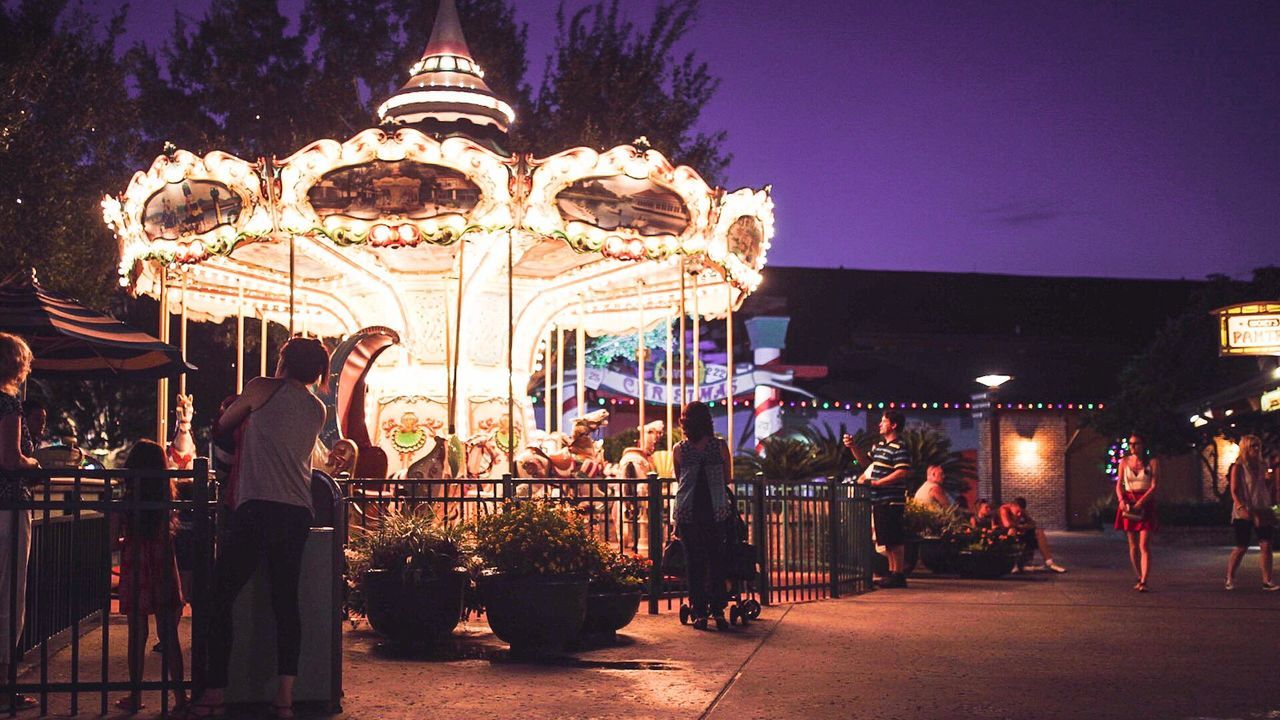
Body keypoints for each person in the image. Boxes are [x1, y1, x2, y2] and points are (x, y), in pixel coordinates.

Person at [186, 338, 329, 719]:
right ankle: (285, 695)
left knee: (221, 595)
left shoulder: (262, 387)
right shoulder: (317, 409)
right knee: (286, 601)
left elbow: (221, 426)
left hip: (257, 505)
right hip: (298, 510)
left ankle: (215, 689)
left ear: (283, 360)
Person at [118, 440, 186, 713]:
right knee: (168, 632)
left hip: (136, 562)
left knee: (137, 632)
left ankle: (135, 696)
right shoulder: (166, 496)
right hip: (162, 561)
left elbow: (113, 538)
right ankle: (180, 696)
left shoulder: (128, 500)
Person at [0, 333, 37, 712]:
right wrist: (33, 463)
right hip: (8, 506)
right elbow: (10, 459)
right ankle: (6, 683)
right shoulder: (9, 402)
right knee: (11, 593)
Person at [672, 401, 733, 631]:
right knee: (717, 560)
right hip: (716, 510)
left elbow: (680, 480)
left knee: (694, 563)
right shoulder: (719, 447)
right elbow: (727, 478)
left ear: (685, 423)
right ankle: (718, 611)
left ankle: (699, 613)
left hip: (688, 511)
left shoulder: (680, 449)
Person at [847, 410, 911, 588]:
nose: (880, 424)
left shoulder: (900, 447)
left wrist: (878, 483)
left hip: (892, 499)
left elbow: (902, 471)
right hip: (880, 499)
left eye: (884, 421)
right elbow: (866, 464)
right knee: (886, 538)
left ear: (894, 425)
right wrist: (853, 447)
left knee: (894, 538)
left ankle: (898, 574)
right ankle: (892, 573)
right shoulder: (880, 447)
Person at [1225, 435, 1277, 591]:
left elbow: (1265, 488)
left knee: (1266, 544)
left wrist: (1269, 480)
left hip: (1262, 508)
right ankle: (1230, 577)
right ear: (1245, 448)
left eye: (1258, 445)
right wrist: (1241, 507)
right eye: (1253, 446)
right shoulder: (1238, 467)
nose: (1257, 448)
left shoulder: (1262, 465)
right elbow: (1234, 490)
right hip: (1245, 510)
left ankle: (1267, 580)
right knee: (1241, 546)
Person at [1115, 433, 1158, 591]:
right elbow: (1119, 484)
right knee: (1132, 545)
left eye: (1136, 444)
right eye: (1131, 444)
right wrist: (1120, 500)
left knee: (1144, 544)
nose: (1133, 447)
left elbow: (1154, 485)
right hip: (1128, 501)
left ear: (1143, 445)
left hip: (1145, 502)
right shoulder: (1124, 462)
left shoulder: (1152, 462)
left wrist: (1142, 502)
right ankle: (1138, 576)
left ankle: (1145, 580)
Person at [1000, 498, 1067, 573]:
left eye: (1021, 512)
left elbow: (1032, 524)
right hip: (1002, 535)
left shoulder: (1022, 512)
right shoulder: (1004, 509)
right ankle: (1014, 564)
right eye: (1018, 511)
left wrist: (1022, 526)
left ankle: (1049, 562)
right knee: (1012, 531)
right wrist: (1020, 526)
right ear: (1012, 505)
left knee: (1039, 532)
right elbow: (1007, 524)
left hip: (1017, 532)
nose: (1019, 514)